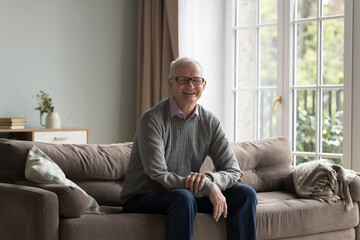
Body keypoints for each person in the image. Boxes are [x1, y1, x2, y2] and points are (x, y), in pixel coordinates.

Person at [121, 57, 257, 240]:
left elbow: (234, 171)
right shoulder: (151, 120)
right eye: (183, 80)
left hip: (186, 194)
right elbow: (156, 177)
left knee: (245, 194)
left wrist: (208, 180)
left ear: (204, 84)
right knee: (183, 198)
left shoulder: (210, 123)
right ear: (171, 83)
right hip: (143, 197)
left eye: (196, 80)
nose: (190, 86)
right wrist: (208, 187)